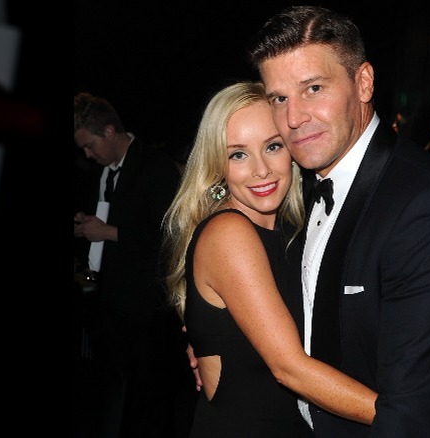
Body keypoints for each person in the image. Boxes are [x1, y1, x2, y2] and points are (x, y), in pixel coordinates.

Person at [247, 6, 430, 436]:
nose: (294, 118)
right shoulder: (293, 186)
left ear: (363, 82)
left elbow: (416, 418)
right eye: (279, 98)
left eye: (314, 88)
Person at [161, 81, 377, 437]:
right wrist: (405, 415)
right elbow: (289, 367)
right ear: (218, 165)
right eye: (238, 154)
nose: (261, 170)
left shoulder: (294, 230)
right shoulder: (229, 233)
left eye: (272, 146)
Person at [73, 92, 196, 438]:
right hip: (113, 302)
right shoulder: (106, 173)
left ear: (109, 131)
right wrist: (90, 225)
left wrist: (108, 232)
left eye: (89, 145)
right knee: (120, 393)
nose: (87, 154)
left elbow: (167, 237)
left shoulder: (155, 166)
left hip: (148, 310)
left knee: (153, 399)